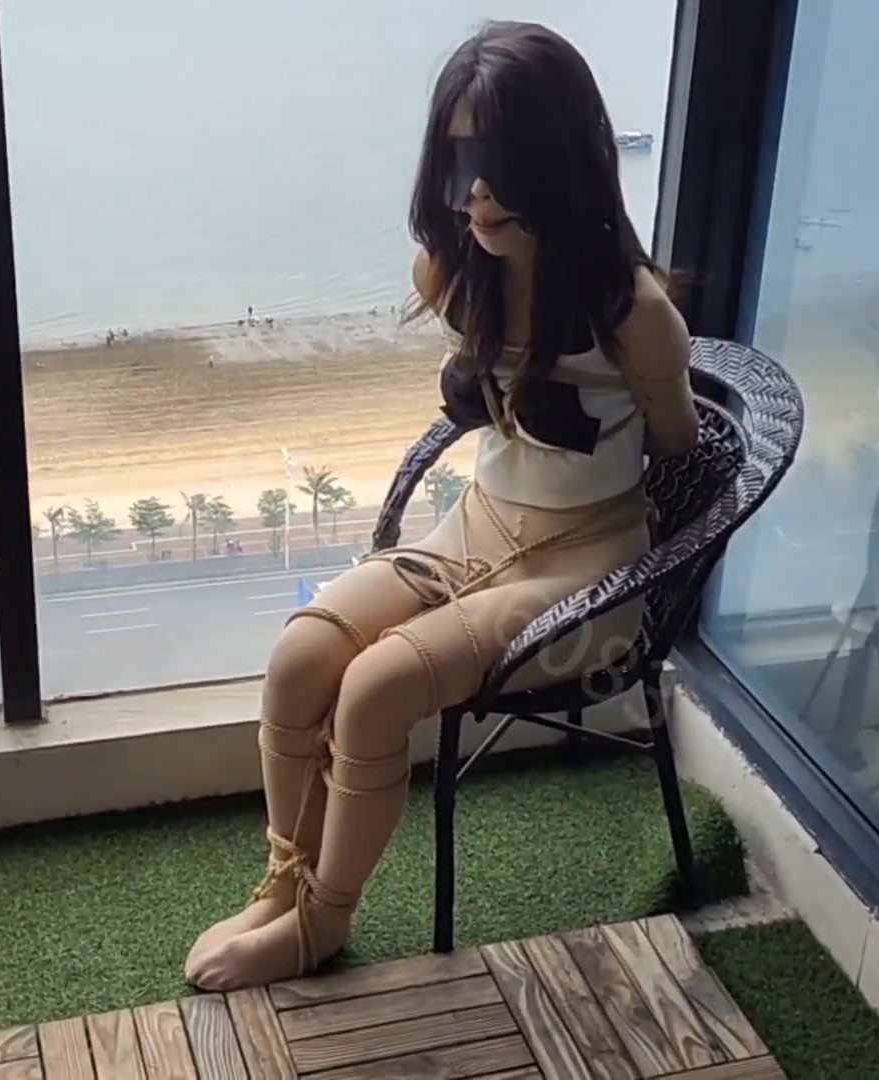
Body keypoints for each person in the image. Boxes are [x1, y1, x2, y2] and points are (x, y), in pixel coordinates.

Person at [184, 20, 698, 991]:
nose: (478, 192)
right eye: (459, 161)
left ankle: (323, 923)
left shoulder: (633, 314)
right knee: (302, 657)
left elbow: (678, 448)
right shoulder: (456, 275)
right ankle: (285, 882)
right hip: (478, 528)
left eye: (503, 163)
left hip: (587, 567)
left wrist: (647, 569)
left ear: (561, 163)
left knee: (377, 688)